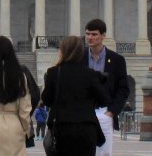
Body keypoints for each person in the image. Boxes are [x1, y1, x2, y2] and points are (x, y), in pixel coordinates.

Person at [41, 36, 109, 156]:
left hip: (61, 128)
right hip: (86, 129)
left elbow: (46, 100)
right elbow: (104, 100)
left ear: (63, 51)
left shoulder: (54, 72)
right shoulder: (90, 74)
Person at [83, 19, 130, 156]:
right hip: (84, 112)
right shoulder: (80, 57)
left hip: (104, 112)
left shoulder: (117, 60)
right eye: (87, 34)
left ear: (103, 35)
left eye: (94, 34)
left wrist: (112, 111)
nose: (90, 37)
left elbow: (123, 88)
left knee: (104, 152)